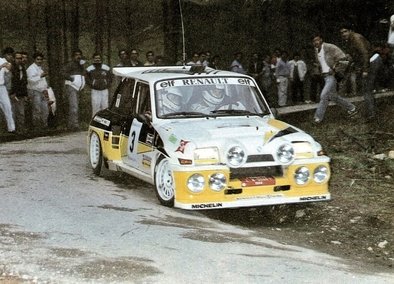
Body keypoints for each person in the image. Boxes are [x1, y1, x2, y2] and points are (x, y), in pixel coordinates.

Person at [312, 34, 357, 124]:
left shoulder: (330, 47)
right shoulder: (316, 50)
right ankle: (352, 108)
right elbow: (321, 63)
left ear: (321, 39)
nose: (315, 42)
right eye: (313, 41)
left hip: (332, 75)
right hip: (325, 76)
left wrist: (335, 69)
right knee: (333, 96)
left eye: (317, 40)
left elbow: (343, 58)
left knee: (323, 95)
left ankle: (317, 118)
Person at [339, 25, 375, 120]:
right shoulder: (350, 40)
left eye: (345, 31)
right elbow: (355, 55)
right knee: (366, 90)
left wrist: (365, 70)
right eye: (342, 32)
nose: (343, 34)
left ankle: (371, 115)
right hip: (367, 63)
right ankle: (370, 112)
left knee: (367, 90)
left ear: (350, 31)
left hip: (371, 62)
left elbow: (364, 53)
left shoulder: (355, 38)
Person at [26, 52, 50, 130]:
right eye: (38, 59)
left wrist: (46, 88)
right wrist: (40, 76)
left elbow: (42, 80)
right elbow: (30, 80)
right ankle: (37, 127)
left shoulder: (40, 68)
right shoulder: (31, 68)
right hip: (34, 91)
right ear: (34, 59)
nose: (39, 61)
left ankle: (44, 125)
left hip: (42, 91)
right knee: (37, 109)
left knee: (45, 109)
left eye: (41, 59)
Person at [63, 49, 86, 130]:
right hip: (71, 86)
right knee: (74, 106)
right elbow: (63, 73)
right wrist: (71, 79)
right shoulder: (70, 64)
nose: (78, 56)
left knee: (75, 106)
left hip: (78, 88)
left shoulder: (81, 65)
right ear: (73, 56)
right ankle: (74, 125)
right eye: (76, 55)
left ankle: (72, 124)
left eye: (79, 55)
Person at [10, 51, 28, 132]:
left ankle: (21, 128)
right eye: (17, 58)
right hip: (12, 93)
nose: (19, 60)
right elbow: (11, 81)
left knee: (21, 112)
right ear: (14, 59)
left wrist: (25, 94)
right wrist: (12, 93)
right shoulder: (11, 68)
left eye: (20, 58)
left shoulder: (23, 68)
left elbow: (24, 82)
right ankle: (13, 129)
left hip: (20, 94)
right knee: (12, 112)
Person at [0, 48, 15, 133]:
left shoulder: (3, 61)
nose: (10, 57)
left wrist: (8, 65)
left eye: (11, 55)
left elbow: (9, 69)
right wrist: (1, 66)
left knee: (7, 106)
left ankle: (11, 128)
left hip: (1, 87)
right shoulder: (1, 62)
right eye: (9, 55)